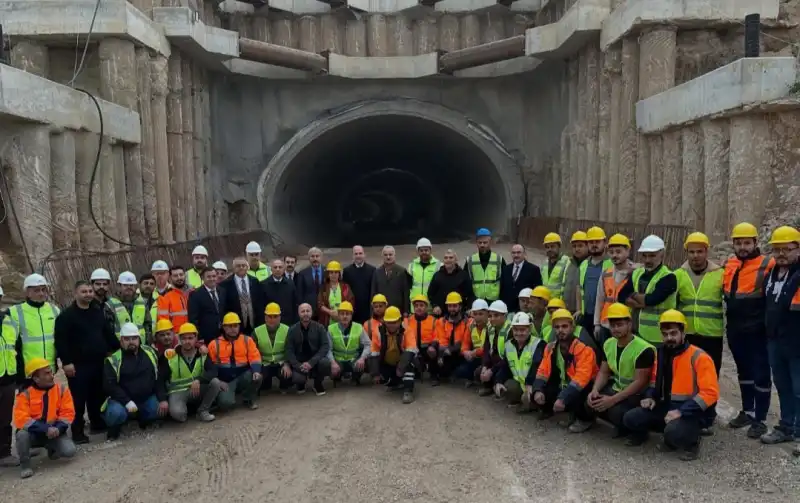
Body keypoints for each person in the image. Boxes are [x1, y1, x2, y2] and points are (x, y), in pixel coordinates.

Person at [622, 310, 719, 461]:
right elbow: (654, 382)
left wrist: (681, 411)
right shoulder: (660, 354)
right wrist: (650, 397)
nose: (669, 338)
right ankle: (652, 435)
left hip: (692, 412)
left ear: (683, 333)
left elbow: (710, 393)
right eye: (665, 334)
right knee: (630, 418)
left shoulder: (699, 357)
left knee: (673, 432)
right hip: (666, 407)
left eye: (673, 333)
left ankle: (692, 441)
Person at [722, 222, 774, 438]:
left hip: (758, 329)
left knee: (761, 374)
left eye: (747, 243)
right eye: (738, 243)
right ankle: (747, 411)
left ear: (755, 243)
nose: (742, 247)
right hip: (735, 328)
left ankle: (760, 420)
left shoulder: (767, 264)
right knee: (743, 372)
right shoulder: (731, 263)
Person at [54, 281, 119, 444]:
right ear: (75, 294)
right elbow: (61, 341)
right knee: (78, 399)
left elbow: (107, 333)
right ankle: (77, 432)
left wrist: (118, 349)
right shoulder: (66, 316)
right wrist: (66, 363)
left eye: (90, 291)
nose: (88, 294)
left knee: (97, 395)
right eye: (84, 291)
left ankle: (97, 423)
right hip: (78, 365)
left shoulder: (97, 312)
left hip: (98, 361)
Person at [587, 303, 656, 441]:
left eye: (620, 325)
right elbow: (604, 372)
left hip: (637, 394)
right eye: (613, 325)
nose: (616, 329)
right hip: (617, 388)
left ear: (629, 324)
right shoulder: (608, 343)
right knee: (591, 401)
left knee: (616, 411)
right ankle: (622, 426)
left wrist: (612, 400)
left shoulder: (644, 349)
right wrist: (595, 390)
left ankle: (638, 433)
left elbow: (640, 382)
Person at [761, 226, 800, 448]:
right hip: (776, 340)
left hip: (797, 342)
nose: (781, 253)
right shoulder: (773, 274)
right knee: (783, 386)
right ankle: (786, 426)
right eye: (777, 249)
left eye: (787, 248)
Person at [532, 309, 598, 432]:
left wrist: (563, 398)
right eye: (557, 327)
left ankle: (585, 419)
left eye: (564, 326)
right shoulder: (551, 347)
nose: (560, 330)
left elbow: (581, 380)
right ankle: (565, 412)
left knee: (578, 394)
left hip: (586, 387)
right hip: (567, 385)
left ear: (572, 327)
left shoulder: (584, 349)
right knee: (539, 392)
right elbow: (542, 371)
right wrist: (537, 390)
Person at [102, 322, 167, 440]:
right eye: (127, 339)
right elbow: (110, 386)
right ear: (121, 341)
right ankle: (115, 429)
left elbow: (158, 377)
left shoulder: (150, 352)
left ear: (139, 338)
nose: (131, 341)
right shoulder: (113, 360)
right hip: (122, 402)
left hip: (145, 398)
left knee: (158, 409)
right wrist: (127, 402)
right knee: (115, 414)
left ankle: (143, 420)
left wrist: (162, 399)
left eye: (134, 338)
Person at [13, 358, 76, 479]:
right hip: (34, 434)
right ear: (36, 378)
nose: (51, 375)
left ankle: (51, 449)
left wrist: (57, 429)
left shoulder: (61, 390)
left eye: (50, 371)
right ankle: (25, 465)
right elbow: (21, 419)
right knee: (21, 435)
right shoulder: (25, 395)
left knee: (70, 451)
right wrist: (45, 429)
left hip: (54, 432)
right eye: (46, 373)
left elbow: (68, 414)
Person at [674, 232, 724, 374]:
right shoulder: (678, 275)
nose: (695, 255)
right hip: (687, 334)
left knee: (710, 374)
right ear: (686, 253)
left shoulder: (720, 274)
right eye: (692, 252)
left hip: (712, 335)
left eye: (699, 251)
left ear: (706, 251)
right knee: (687, 375)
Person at [618, 235, 677, 347]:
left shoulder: (668, 277)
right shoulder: (637, 273)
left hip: (658, 336)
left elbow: (652, 300)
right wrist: (641, 300)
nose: (647, 260)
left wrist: (633, 295)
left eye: (652, 256)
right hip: (634, 332)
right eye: (644, 256)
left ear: (662, 254)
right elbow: (621, 296)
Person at [161, 323, 220, 422]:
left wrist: (198, 380)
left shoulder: (203, 354)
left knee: (215, 382)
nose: (187, 341)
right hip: (178, 392)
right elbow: (160, 379)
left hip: (197, 388)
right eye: (184, 338)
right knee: (179, 415)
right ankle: (190, 410)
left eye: (190, 338)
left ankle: (203, 411)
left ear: (196, 338)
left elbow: (213, 371)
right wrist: (162, 399)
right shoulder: (171, 356)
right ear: (179, 339)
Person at [208, 313, 263, 410]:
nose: (233, 329)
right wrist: (219, 382)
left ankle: (248, 398)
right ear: (224, 327)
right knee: (225, 404)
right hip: (225, 381)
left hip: (243, 376)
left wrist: (256, 371)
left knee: (257, 377)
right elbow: (209, 367)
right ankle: (222, 398)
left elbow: (255, 357)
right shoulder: (214, 344)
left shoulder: (247, 340)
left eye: (235, 326)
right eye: (229, 326)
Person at [493, 312, 545, 411]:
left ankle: (532, 404)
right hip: (520, 384)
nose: (518, 333)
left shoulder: (539, 344)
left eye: (522, 330)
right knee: (508, 386)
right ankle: (522, 401)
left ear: (529, 329)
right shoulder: (509, 345)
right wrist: (498, 381)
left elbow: (537, 365)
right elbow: (505, 366)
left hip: (536, 384)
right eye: (516, 330)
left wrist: (530, 384)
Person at [10, 274, 61, 370]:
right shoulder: (14, 312)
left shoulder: (54, 310)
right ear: (27, 293)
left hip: (50, 368)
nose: (41, 293)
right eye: (36, 290)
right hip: (28, 369)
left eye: (43, 289)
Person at [368, 306, 417, 404]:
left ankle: (408, 391)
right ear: (384, 322)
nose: (391, 325)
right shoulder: (378, 332)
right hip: (387, 362)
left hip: (403, 361)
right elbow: (374, 352)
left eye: (394, 322)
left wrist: (401, 366)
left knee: (409, 365)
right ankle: (396, 383)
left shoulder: (407, 330)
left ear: (400, 321)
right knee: (381, 376)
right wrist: (375, 373)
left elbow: (411, 349)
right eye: (389, 322)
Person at [594, 234, 636, 346]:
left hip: (625, 326)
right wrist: (597, 324)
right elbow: (599, 300)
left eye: (618, 252)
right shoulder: (606, 273)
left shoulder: (636, 273)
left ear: (627, 251)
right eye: (611, 252)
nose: (614, 255)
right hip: (606, 325)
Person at [285, 303, 332, 396]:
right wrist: (298, 365)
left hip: (316, 360)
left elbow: (325, 346)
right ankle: (300, 384)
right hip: (300, 362)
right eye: (303, 311)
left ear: (311, 313)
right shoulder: (292, 330)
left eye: (308, 311)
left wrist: (311, 363)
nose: (305, 313)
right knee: (297, 378)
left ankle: (317, 383)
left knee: (326, 363)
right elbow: (289, 350)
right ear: (299, 313)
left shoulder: (320, 327)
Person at [577, 227, 613, 336]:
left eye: (597, 241)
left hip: (606, 316)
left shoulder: (612, 264)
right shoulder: (583, 265)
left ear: (605, 243)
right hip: (586, 315)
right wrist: (579, 309)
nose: (594, 245)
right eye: (591, 242)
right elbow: (579, 288)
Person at [327, 301, 371, 385]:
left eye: (347, 314)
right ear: (338, 315)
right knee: (326, 365)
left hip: (353, 359)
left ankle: (356, 377)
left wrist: (362, 358)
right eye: (342, 314)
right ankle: (337, 376)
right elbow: (328, 349)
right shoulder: (331, 329)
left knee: (367, 360)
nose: (345, 316)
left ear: (351, 315)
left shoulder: (358, 327)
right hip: (338, 360)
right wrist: (332, 363)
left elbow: (368, 345)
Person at [253, 303, 293, 394]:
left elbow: (290, 350)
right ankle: (266, 383)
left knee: (288, 376)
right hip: (264, 363)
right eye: (269, 316)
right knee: (261, 384)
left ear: (280, 317)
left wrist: (287, 364)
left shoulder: (287, 330)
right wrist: (257, 369)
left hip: (281, 363)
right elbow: (253, 352)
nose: (272, 319)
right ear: (265, 317)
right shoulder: (257, 331)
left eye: (275, 316)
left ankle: (284, 386)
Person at [224, 256, 267, 334]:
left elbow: (260, 302)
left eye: (243, 265)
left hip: (254, 323)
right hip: (236, 325)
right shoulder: (226, 284)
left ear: (247, 267)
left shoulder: (255, 281)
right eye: (238, 266)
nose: (241, 268)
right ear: (233, 268)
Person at [477, 300, 511, 397]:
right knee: (479, 372)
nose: (492, 319)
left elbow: (508, 358)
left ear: (504, 316)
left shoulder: (511, 330)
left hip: (506, 364)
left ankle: (498, 387)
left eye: (496, 316)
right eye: (490, 316)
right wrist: (485, 366)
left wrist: (491, 370)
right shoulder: (490, 328)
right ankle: (489, 387)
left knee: (497, 374)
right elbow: (486, 349)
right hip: (494, 361)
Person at [434, 292, 471, 381]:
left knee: (462, 371)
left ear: (460, 306)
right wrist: (440, 356)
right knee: (441, 371)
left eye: (455, 306)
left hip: (462, 354)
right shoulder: (441, 321)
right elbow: (442, 343)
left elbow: (465, 342)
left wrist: (451, 349)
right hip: (448, 354)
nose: (452, 309)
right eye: (450, 306)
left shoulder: (468, 322)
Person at [0, 302, 19, 467]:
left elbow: (14, 347)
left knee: (5, 418)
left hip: (7, 378)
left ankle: (4, 453)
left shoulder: (8, 320)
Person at [455, 299, 490, 388]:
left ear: (487, 314)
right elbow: (465, 343)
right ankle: (473, 379)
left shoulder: (491, 326)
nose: (478, 317)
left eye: (481, 314)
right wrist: (465, 352)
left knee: (481, 370)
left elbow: (489, 348)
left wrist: (474, 352)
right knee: (460, 371)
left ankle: (486, 385)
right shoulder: (470, 324)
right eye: (475, 314)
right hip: (475, 357)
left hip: (488, 358)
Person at [428, 249, 472, 316]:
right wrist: (435, 306)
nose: (448, 260)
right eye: (446, 258)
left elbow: (470, 294)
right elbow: (430, 294)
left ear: (456, 260)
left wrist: (468, 308)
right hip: (441, 315)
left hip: (459, 315)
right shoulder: (437, 275)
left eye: (451, 257)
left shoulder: (463, 275)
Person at [466, 228, 505, 302]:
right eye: (479, 242)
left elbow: (504, 280)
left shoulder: (499, 259)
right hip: (477, 299)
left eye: (485, 242)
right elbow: (467, 281)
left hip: (494, 300)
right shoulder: (470, 260)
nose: (482, 245)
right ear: (476, 243)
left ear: (490, 242)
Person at [106, 271, 148, 340]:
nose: (129, 287)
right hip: (119, 347)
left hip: (141, 345)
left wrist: (147, 343)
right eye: (125, 285)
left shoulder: (142, 302)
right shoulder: (110, 304)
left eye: (131, 285)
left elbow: (147, 326)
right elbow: (109, 330)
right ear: (119, 286)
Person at [188, 267, 225, 344]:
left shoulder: (222, 291)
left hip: (224, 334)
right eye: (208, 277)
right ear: (202, 278)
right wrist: (199, 337)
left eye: (214, 276)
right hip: (206, 337)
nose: (212, 279)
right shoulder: (195, 295)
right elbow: (193, 319)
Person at [501, 244, 542, 313]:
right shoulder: (506, 269)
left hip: (525, 309)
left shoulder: (533, 269)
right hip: (508, 309)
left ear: (524, 254)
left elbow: (537, 290)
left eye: (519, 252)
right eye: (513, 253)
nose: (516, 255)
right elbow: (502, 289)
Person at [407, 295, 439, 383]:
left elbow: (436, 337)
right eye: (416, 306)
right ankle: (417, 371)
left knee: (433, 351)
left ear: (426, 307)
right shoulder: (409, 320)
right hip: (414, 349)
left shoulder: (433, 320)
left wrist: (432, 346)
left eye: (421, 305)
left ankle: (434, 375)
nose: (419, 308)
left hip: (428, 349)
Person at [371, 245, 411, 315]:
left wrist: (406, 311)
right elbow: (373, 293)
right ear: (382, 256)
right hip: (381, 312)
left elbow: (406, 293)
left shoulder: (402, 271)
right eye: (385, 255)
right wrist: (372, 312)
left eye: (390, 254)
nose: (388, 257)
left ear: (394, 255)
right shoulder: (377, 272)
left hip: (398, 311)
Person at [343, 245, 377, 324]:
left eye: (360, 253)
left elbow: (374, 289)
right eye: (356, 254)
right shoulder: (347, 271)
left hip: (368, 310)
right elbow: (345, 291)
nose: (358, 256)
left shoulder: (372, 270)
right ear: (353, 256)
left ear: (364, 255)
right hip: (353, 310)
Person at [260, 258, 298, 327]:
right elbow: (261, 307)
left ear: (284, 269)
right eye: (275, 267)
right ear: (271, 269)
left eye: (280, 267)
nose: (278, 269)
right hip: (271, 322)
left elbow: (294, 304)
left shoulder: (290, 284)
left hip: (288, 322)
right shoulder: (263, 285)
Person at [318, 261, 355, 326]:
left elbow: (351, 302)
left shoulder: (345, 287)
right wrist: (330, 312)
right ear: (328, 274)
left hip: (343, 320)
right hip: (328, 321)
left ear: (339, 274)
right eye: (331, 272)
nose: (333, 275)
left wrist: (340, 313)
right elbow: (320, 304)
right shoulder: (323, 288)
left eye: (336, 272)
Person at [157, 266, 191, 332]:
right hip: (176, 336)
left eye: (181, 275)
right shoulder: (165, 297)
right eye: (175, 276)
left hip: (194, 334)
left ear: (185, 275)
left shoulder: (193, 293)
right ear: (170, 278)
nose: (179, 278)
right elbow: (163, 321)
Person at [407, 238, 441, 304]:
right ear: (418, 251)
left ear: (430, 250)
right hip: (415, 305)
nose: (424, 252)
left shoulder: (439, 265)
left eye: (426, 250)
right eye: (421, 250)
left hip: (431, 306)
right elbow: (408, 287)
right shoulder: (412, 265)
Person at [542, 233, 571, 303]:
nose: (550, 249)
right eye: (547, 247)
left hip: (558, 303)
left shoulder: (567, 261)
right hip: (545, 302)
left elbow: (568, 286)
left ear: (559, 246)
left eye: (552, 246)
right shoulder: (545, 263)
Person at [298, 247, 325, 316]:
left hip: (325, 308)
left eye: (317, 256)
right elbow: (300, 294)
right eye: (312, 256)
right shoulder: (302, 274)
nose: (315, 259)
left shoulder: (327, 272)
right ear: (309, 258)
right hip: (308, 310)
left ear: (321, 258)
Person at [138, 273, 158, 342]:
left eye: (151, 284)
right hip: (136, 339)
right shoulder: (133, 299)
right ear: (140, 284)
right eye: (146, 283)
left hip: (153, 340)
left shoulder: (158, 300)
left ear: (155, 286)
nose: (148, 286)